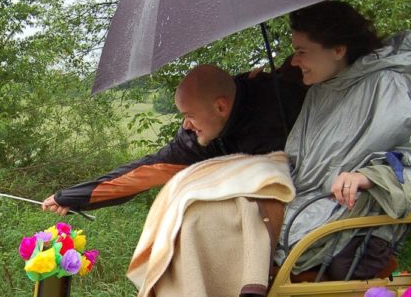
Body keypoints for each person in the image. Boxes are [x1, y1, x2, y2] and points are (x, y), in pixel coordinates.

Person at [277, 0, 411, 277]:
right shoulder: (317, 94)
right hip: (309, 215)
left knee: (335, 269)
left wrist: (370, 177)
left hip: (363, 227)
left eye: (301, 51)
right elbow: (300, 166)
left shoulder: (389, 86)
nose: (294, 60)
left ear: (338, 50)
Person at [42, 62, 307, 215]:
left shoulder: (290, 101)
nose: (186, 124)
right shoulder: (200, 137)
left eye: (190, 115)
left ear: (221, 107)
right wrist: (72, 197)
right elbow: (145, 172)